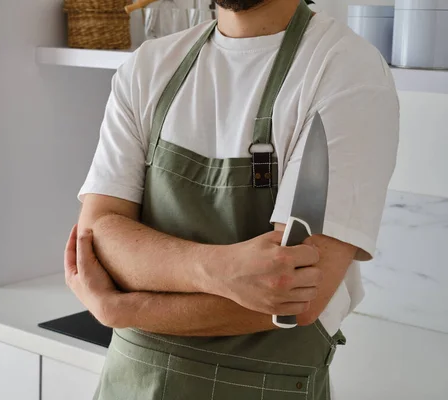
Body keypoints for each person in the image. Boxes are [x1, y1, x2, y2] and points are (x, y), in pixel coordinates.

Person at [64, 0, 399, 398]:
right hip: (129, 384)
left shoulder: (345, 69)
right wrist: (220, 270)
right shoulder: (147, 66)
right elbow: (98, 242)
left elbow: (295, 297)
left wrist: (124, 309)